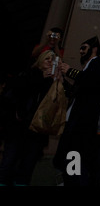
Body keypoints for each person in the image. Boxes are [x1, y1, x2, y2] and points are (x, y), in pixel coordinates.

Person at [53, 36, 100, 186]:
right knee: (70, 157)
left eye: (83, 48)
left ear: (94, 49)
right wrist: (62, 80)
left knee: (75, 158)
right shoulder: (88, 67)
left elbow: (91, 81)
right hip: (75, 121)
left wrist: (70, 71)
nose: (80, 51)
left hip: (83, 124)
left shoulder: (99, 64)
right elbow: (78, 89)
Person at [0, 50, 59, 186]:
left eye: (53, 59)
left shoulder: (53, 81)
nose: (50, 61)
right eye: (47, 59)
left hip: (37, 130)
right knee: (10, 160)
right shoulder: (28, 75)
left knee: (27, 165)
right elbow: (19, 91)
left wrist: (57, 81)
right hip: (19, 126)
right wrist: (41, 78)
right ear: (40, 62)